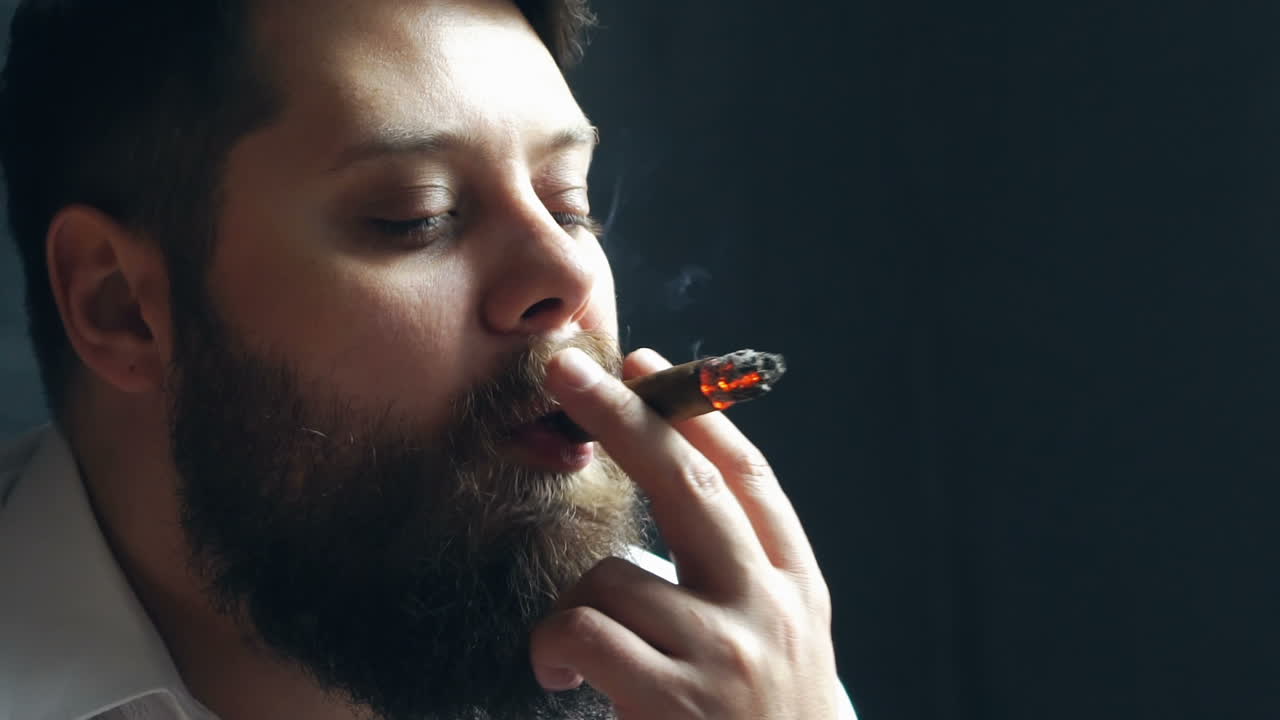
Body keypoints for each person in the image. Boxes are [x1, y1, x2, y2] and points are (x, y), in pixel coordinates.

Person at [0, 1, 857, 718]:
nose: (564, 276)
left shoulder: (724, 687)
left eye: (569, 203)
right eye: (417, 215)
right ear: (120, 308)